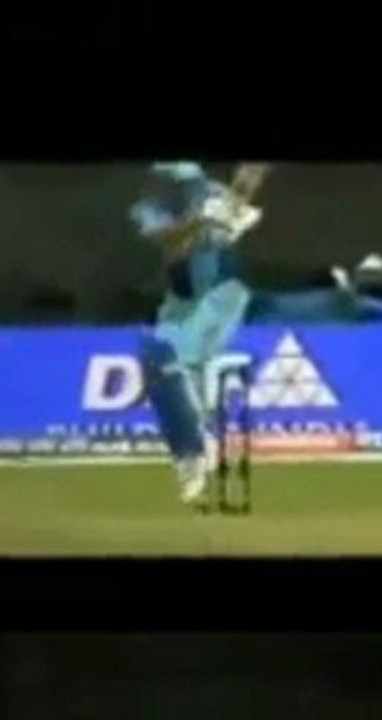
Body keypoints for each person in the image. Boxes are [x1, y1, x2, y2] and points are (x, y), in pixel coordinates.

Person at [130, 162, 267, 505]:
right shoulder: (148, 208)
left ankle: (193, 451)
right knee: (162, 364)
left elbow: (242, 191)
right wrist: (202, 222)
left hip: (221, 291)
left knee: (161, 354)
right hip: (185, 300)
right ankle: (194, 446)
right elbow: (168, 241)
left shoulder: (213, 194)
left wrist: (240, 196)